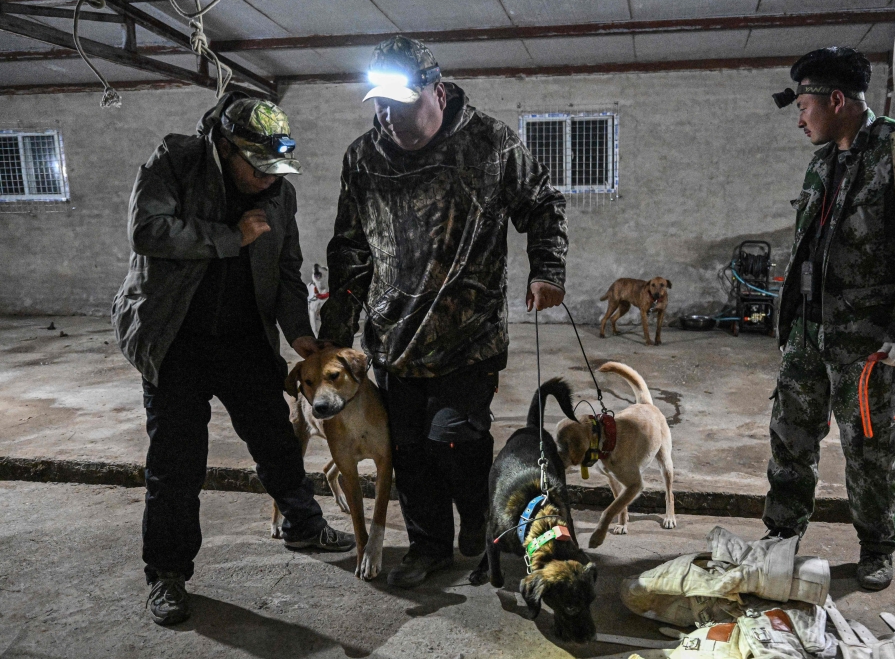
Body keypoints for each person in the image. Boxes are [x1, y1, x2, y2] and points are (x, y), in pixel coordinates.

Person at [320, 36, 569, 588]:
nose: (389, 117)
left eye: (402, 103)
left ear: (437, 90)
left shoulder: (489, 143)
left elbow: (543, 203)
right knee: (408, 451)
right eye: (380, 105)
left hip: (469, 335)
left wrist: (547, 271)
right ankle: (428, 546)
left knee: (453, 441)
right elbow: (350, 248)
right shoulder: (363, 158)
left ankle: (479, 521)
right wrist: (334, 333)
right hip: (393, 338)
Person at [112, 94, 355, 626]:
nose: (269, 180)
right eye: (259, 168)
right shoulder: (174, 162)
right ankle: (168, 574)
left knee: (274, 433)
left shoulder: (279, 194)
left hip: (243, 336)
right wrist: (229, 237)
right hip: (174, 338)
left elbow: (287, 267)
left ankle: (302, 524)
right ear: (225, 147)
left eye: (276, 170)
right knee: (176, 461)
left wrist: (298, 332)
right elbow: (146, 232)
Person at [764, 47, 895, 590]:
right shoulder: (822, 160)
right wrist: (790, 323)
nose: (799, 118)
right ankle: (780, 535)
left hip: (866, 339)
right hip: (808, 333)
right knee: (789, 435)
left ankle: (875, 547)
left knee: (868, 447)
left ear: (836, 100)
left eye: (804, 106)